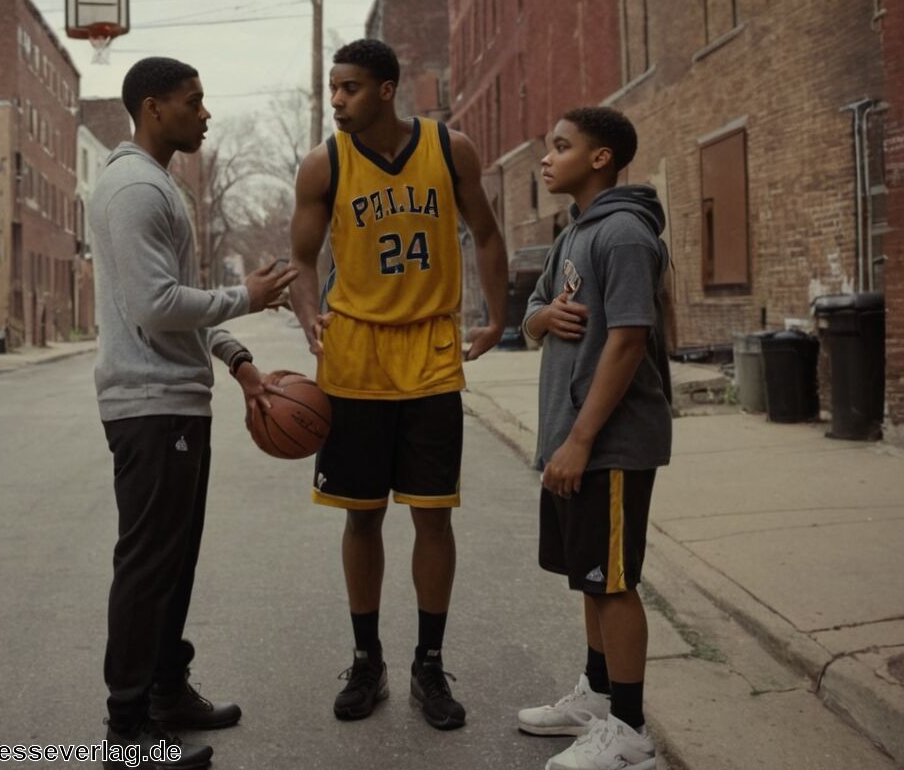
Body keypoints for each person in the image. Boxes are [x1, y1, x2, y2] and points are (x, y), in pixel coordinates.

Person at [288, 39, 508, 731]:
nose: (337, 100)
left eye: (349, 88)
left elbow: (488, 233)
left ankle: (428, 663)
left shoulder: (451, 150)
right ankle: (366, 658)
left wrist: (498, 315)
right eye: (332, 89)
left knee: (434, 513)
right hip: (354, 353)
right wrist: (304, 308)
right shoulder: (325, 162)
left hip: (431, 347)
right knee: (361, 513)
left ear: (386, 90)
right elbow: (300, 256)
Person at [88, 56, 298, 770]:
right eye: (193, 101)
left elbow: (180, 300)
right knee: (148, 564)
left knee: (172, 563)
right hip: (149, 407)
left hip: (175, 401)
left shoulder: (159, 188)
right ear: (154, 108)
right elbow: (155, 306)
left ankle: (166, 691)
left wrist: (239, 359)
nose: (205, 114)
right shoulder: (134, 190)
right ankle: (126, 732)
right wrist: (248, 298)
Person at [517, 107, 672, 770]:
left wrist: (579, 440)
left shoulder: (626, 234)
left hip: (608, 440)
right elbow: (531, 317)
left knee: (612, 581)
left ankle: (631, 733)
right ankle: (598, 697)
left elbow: (629, 338)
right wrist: (541, 317)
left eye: (560, 146)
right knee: (590, 579)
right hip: (571, 438)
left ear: (601, 158)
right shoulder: (573, 234)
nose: (546, 159)